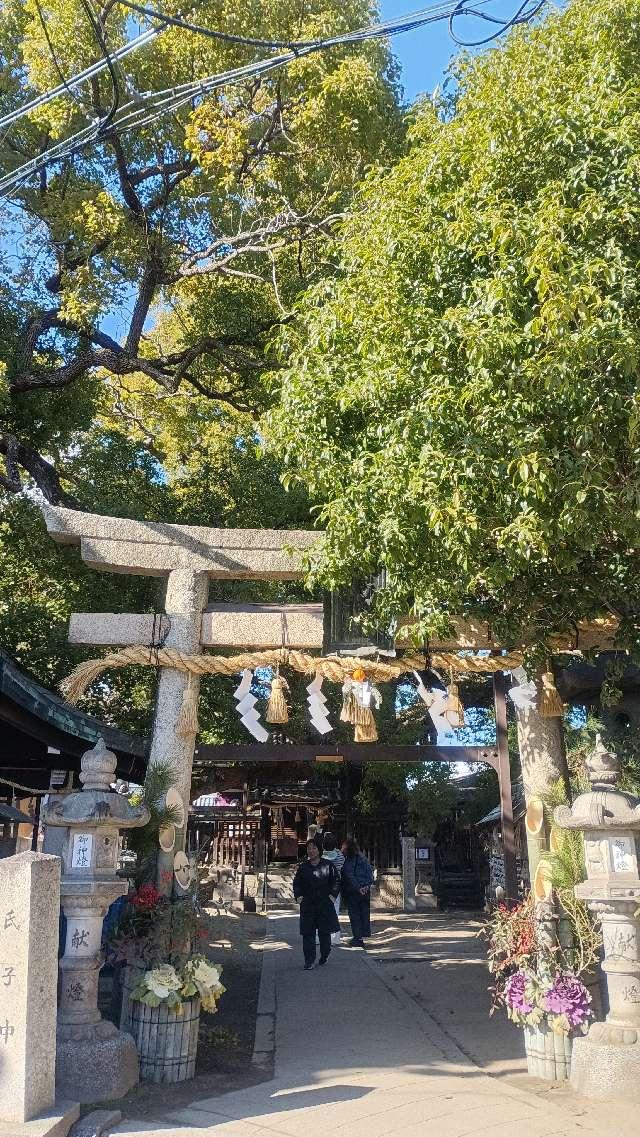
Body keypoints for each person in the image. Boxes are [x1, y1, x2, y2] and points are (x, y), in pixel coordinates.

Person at [293, 839, 341, 970]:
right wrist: (299, 896)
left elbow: (336, 881)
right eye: (309, 848)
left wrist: (332, 896)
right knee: (308, 934)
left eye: (314, 848)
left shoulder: (328, 865)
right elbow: (297, 883)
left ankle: (325, 955)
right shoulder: (303, 867)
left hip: (324, 904)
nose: (311, 851)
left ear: (319, 850)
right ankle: (309, 960)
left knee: (324, 933)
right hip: (308, 905)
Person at [341, 838, 374, 948]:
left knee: (354, 915)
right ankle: (363, 934)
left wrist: (358, 888)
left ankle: (358, 938)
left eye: (343, 848)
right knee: (364, 914)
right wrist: (367, 886)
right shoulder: (363, 858)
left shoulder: (349, 860)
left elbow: (349, 876)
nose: (341, 849)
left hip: (354, 892)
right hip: (365, 891)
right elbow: (370, 874)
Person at [321, 833, 345, 944]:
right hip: (336, 887)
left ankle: (320, 937)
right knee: (335, 911)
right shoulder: (340, 856)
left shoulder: (322, 857)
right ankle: (335, 939)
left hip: (323, 886)